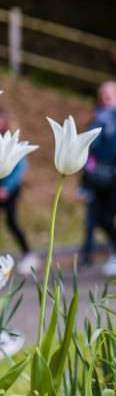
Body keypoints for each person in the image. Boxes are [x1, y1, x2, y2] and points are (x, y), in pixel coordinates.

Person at [80, 80, 116, 275]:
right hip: (98, 178)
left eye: (110, 94)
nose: (106, 98)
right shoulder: (96, 118)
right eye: (103, 94)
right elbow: (88, 149)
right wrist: (86, 175)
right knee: (99, 218)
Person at [0, 109, 40, 275]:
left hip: (9, 189)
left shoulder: (11, 139)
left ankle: (29, 254)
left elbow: (20, 166)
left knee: (11, 221)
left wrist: (6, 187)